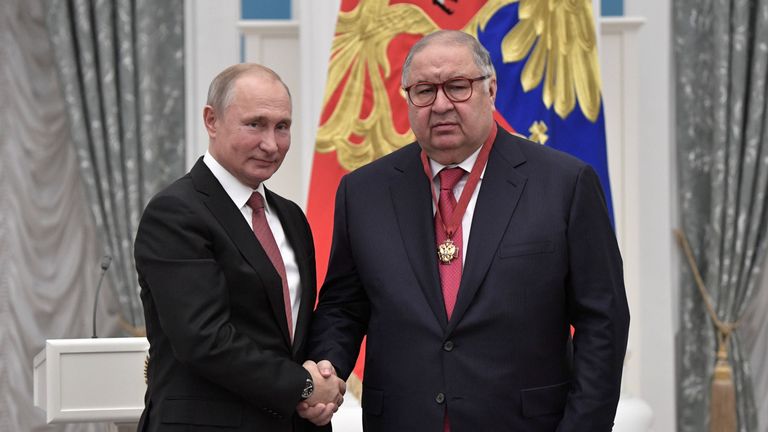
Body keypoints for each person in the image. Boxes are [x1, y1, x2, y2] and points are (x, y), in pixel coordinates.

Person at [308, 30, 630, 431]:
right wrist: (325, 368)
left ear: (491, 89)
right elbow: (344, 305)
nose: (441, 105)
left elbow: (604, 320)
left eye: (458, 87)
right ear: (407, 98)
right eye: (424, 91)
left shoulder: (564, 183)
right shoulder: (363, 191)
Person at [134, 63, 345, 432]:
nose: (271, 143)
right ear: (211, 120)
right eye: (255, 124)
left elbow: (300, 329)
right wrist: (305, 387)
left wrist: (325, 372)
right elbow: (203, 339)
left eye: (282, 127)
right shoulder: (175, 212)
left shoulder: (291, 216)